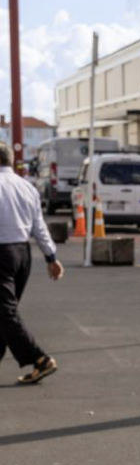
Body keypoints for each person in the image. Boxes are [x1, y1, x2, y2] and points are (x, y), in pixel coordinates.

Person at [0, 141, 63, 385]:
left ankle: (40, 359)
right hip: (23, 254)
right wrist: (51, 257)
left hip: (1, 254)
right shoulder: (27, 187)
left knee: (5, 313)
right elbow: (40, 227)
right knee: (5, 312)